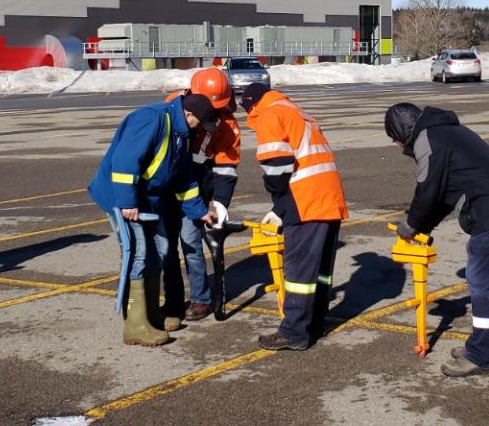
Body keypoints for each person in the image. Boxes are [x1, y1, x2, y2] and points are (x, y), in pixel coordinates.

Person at [386, 103, 489, 377]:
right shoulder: (449, 132)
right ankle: (487, 344)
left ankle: (481, 356)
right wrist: (423, 227)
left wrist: (411, 225)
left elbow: (428, 190)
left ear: (403, 131)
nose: (397, 145)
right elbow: (446, 193)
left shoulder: (428, 138)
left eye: (395, 138)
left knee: (484, 284)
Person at [89, 91, 215, 346]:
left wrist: (200, 211)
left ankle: (151, 314)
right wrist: (127, 202)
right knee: (139, 252)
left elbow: (184, 179)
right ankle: (135, 324)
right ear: (188, 114)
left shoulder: (181, 132)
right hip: (122, 197)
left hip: (149, 199)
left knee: (162, 249)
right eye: (199, 123)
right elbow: (125, 161)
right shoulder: (152, 119)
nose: (200, 129)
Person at [241, 82, 348, 351]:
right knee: (320, 272)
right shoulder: (297, 112)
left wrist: (281, 206)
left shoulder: (269, 114)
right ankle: (314, 323)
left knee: (299, 272)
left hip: (306, 201)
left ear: (251, 106)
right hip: (328, 198)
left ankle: (294, 331)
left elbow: (277, 168)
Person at [159, 68, 241, 327]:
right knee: (166, 247)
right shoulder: (172, 104)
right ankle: (172, 301)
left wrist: (219, 203)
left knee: (190, 243)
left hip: (195, 189)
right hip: (166, 186)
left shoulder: (226, 124)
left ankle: (201, 299)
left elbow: (226, 169)